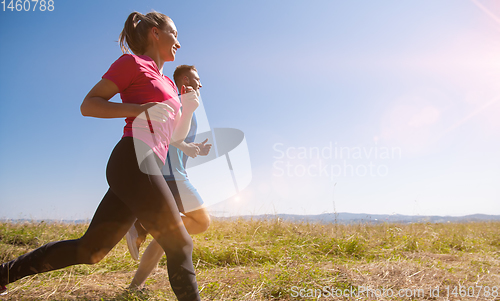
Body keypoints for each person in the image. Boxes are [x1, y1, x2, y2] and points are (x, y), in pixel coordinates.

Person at [0, 11, 201, 301]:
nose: (179, 43)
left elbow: (174, 138)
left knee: (91, 251)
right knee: (180, 242)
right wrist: (139, 109)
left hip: (147, 166)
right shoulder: (131, 63)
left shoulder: (169, 83)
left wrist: (189, 108)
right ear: (155, 33)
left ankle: (4, 273)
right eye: (175, 34)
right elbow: (89, 105)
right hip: (132, 159)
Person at [126, 65, 212, 289]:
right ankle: (141, 225)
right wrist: (185, 144)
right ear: (185, 79)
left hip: (172, 174)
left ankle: (135, 287)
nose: (200, 84)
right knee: (202, 222)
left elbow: (175, 139)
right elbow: (172, 137)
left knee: (168, 236)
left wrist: (191, 148)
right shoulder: (178, 101)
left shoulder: (185, 103)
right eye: (197, 79)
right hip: (172, 176)